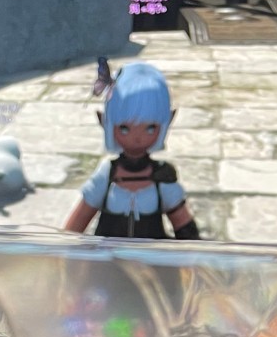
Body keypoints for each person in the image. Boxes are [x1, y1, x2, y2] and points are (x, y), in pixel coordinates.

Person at [63, 63, 200, 240]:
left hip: (151, 257)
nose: (137, 138)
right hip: (107, 257)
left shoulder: (162, 177)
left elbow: (185, 229)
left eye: (150, 128)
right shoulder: (107, 175)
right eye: (125, 128)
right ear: (107, 124)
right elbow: (76, 224)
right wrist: (62, 251)